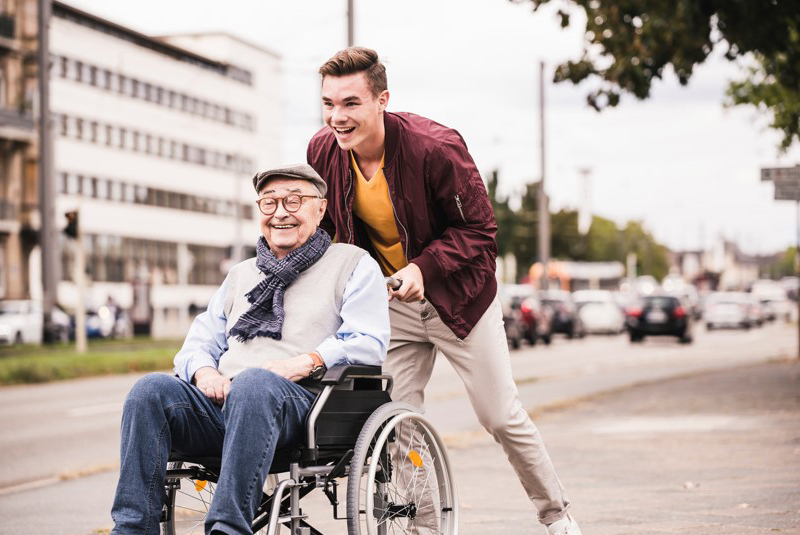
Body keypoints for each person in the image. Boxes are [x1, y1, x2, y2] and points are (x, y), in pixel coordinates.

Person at [307, 47, 582, 535]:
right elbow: (325, 234)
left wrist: (423, 269)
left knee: (500, 415)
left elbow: (480, 230)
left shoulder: (436, 148)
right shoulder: (322, 152)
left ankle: (557, 516)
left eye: (350, 103)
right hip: (392, 307)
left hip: (459, 301)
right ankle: (422, 528)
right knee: (395, 426)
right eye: (329, 104)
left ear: (381, 100)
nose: (337, 117)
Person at [109, 164, 390, 535]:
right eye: (269, 203)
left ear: (320, 209)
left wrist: (306, 362)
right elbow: (199, 343)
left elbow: (368, 341)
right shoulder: (241, 274)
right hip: (226, 403)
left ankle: (227, 530)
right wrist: (204, 372)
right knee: (149, 392)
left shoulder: (352, 264)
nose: (280, 213)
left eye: (294, 201)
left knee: (254, 384)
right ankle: (131, 530)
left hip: (306, 406)